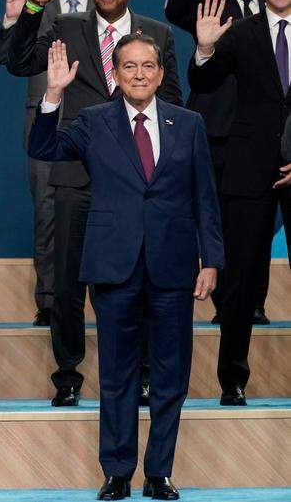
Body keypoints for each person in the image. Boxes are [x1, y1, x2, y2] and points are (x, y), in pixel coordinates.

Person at [30, 37, 223, 501]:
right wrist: (53, 95)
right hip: (114, 265)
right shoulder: (94, 122)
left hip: (173, 266)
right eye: (129, 66)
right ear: (115, 73)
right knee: (116, 374)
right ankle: (117, 471)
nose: (139, 74)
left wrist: (212, 259)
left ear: (160, 73)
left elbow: (205, 198)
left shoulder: (189, 124)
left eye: (148, 66)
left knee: (171, 374)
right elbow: (43, 146)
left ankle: (159, 473)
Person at [5, 0, 183, 407]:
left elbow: (175, 110)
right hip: (75, 177)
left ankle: (141, 374)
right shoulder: (66, 27)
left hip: (136, 186)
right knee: (67, 285)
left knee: (138, 282)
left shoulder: (157, 35)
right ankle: (67, 375)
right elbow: (18, 60)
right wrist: (32, 8)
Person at [189, 0, 291, 406]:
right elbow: (204, 82)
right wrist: (205, 47)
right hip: (249, 169)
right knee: (241, 279)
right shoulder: (243, 32)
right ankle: (232, 378)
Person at [164, 0, 269, 325]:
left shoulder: (277, 6)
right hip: (217, 129)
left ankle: (254, 301)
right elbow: (175, 11)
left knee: (257, 224)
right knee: (219, 218)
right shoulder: (209, 2)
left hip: (264, 132)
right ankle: (226, 303)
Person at [0, 0, 95, 326]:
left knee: (103, 215)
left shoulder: (105, 5)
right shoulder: (40, 4)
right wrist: (16, 15)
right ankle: (50, 301)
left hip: (94, 130)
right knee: (48, 216)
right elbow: (3, 56)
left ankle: (103, 299)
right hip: (45, 129)